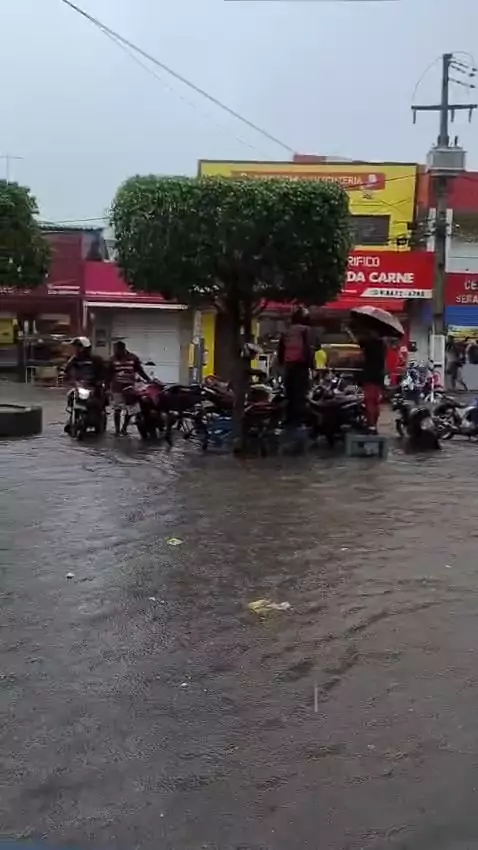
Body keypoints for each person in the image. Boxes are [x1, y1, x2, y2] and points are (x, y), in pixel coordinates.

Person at [277, 307, 314, 428]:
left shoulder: (288, 330)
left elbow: (281, 348)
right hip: (301, 365)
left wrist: (282, 363)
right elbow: (308, 347)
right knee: (301, 392)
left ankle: (289, 417)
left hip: (289, 365)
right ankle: (299, 419)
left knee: (289, 392)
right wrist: (311, 365)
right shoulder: (305, 330)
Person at [108, 340, 151, 436]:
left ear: (123, 349)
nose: (116, 352)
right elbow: (109, 374)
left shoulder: (133, 358)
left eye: (118, 350)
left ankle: (124, 428)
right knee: (117, 409)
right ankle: (117, 430)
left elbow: (140, 370)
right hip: (117, 387)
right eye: (115, 350)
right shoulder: (112, 360)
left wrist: (148, 380)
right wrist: (106, 387)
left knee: (131, 409)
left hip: (130, 387)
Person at [63, 337, 106, 432]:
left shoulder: (96, 360)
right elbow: (66, 370)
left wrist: (99, 381)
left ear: (86, 348)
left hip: (93, 386)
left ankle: (98, 417)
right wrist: (66, 377)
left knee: (97, 401)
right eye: (76, 347)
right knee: (70, 396)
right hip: (79, 386)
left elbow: (103, 372)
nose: (77, 349)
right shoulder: (74, 359)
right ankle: (71, 418)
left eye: (79, 347)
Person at [356, 328, 386, 432]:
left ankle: (371, 425)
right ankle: (374, 424)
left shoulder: (369, 343)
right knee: (376, 402)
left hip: (369, 376)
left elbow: (360, 343)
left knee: (369, 401)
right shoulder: (383, 345)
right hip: (379, 377)